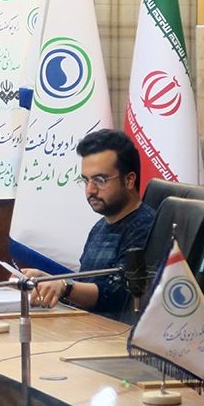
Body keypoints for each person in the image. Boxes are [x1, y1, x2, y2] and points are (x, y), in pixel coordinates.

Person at [24, 128, 156, 319]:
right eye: (86, 181)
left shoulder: (145, 227)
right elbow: (88, 283)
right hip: (86, 327)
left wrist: (65, 287)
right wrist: (49, 279)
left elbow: (119, 296)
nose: (90, 190)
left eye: (100, 180)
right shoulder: (100, 227)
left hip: (116, 333)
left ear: (129, 180)